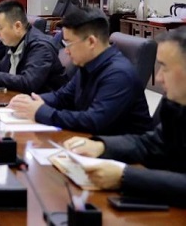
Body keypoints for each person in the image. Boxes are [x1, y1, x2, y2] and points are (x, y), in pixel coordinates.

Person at [61, 28, 186, 204]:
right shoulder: (176, 105)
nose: (158, 78)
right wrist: (101, 146)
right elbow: (151, 143)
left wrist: (125, 176)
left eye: (164, 67)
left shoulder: (120, 73)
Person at [9, 6, 152, 135]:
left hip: (119, 152)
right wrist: (33, 100)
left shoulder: (119, 75)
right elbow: (63, 96)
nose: (66, 51)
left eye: (69, 43)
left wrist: (40, 111)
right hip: (90, 142)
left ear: (91, 42)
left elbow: (93, 122)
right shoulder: (88, 64)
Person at [0, 0, 66, 93]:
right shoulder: (15, 41)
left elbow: (28, 82)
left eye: (0, 28)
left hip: (41, 104)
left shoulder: (41, 47)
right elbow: (2, 67)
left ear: (17, 26)